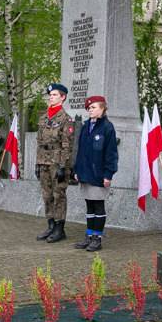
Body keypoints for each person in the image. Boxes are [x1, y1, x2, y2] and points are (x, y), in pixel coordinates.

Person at [72, 95, 118, 252]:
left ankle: (97, 238)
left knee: (98, 206)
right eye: (89, 108)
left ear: (103, 108)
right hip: (85, 173)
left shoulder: (107, 127)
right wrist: (77, 170)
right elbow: (80, 151)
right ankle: (89, 235)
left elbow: (111, 154)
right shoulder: (86, 126)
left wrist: (108, 174)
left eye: (93, 107)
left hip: (98, 174)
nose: (90, 110)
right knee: (89, 206)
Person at [35, 83, 74, 243]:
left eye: (55, 95)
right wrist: (37, 164)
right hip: (43, 160)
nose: (51, 97)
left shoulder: (66, 119)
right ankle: (50, 225)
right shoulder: (43, 118)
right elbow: (39, 142)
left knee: (59, 195)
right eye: (50, 95)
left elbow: (67, 145)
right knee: (47, 195)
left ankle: (59, 228)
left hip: (57, 162)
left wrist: (63, 166)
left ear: (63, 97)